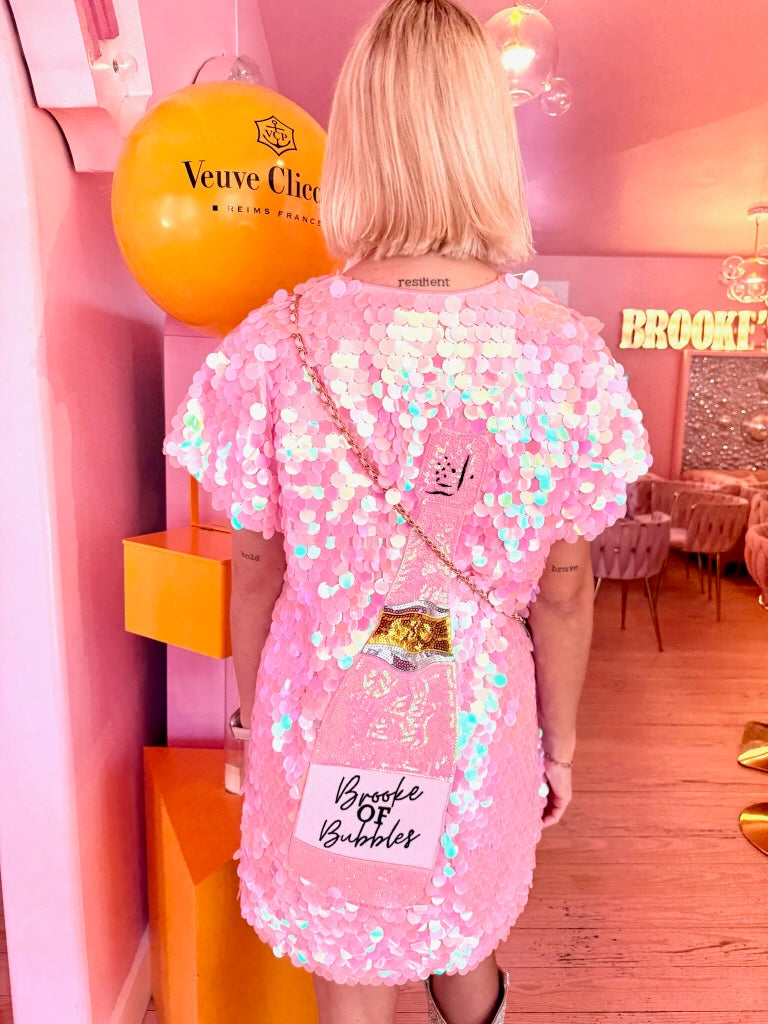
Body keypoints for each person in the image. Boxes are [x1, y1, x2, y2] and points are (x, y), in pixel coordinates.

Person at [162, 1, 652, 1021]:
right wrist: (558, 746)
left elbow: (256, 573)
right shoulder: (559, 357)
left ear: (359, 140)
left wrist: (257, 720)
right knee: (460, 931)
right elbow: (565, 590)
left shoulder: (278, 344)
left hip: (323, 701)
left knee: (351, 970)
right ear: (484, 139)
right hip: (471, 706)